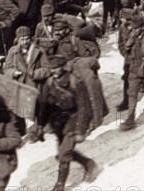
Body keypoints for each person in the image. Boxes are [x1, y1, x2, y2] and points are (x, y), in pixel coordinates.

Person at [38, 56, 101, 191]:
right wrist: (40, 125)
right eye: (51, 68)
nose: (54, 71)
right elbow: (44, 106)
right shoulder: (49, 83)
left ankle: (60, 186)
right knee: (65, 151)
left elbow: (84, 107)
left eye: (56, 67)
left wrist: (80, 129)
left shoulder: (74, 82)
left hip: (73, 120)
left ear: (63, 66)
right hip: (58, 123)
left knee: (63, 153)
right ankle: (88, 163)